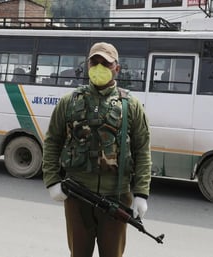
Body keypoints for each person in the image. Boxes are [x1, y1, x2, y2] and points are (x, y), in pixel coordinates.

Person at [42, 42, 152, 257]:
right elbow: (52, 141)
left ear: (116, 68)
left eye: (106, 63)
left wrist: (141, 193)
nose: (100, 67)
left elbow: (142, 149)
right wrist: (52, 180)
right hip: (77, 195)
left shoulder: (131, 105)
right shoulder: (69, 101)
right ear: (88, 65)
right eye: (95, 62)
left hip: (117, 196)